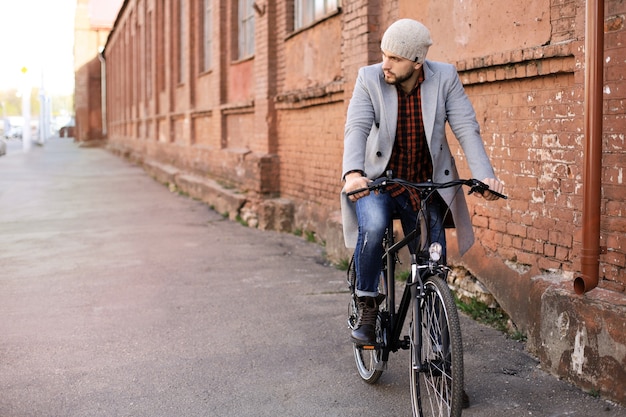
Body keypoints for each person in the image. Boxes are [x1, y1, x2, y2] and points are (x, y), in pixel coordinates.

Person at [341, 19, 504, 347]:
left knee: (434, 263)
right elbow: (356, 127)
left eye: (395, 59)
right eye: (383, 55)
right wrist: (353, 173)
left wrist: (485, 175)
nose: (385, 64)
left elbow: (466, 127)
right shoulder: (369, 78)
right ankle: (368, 306)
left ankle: (444, 362)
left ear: (416, 63)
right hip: (377, 183)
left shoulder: (444, 77)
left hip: (426, 185)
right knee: (372, 227)